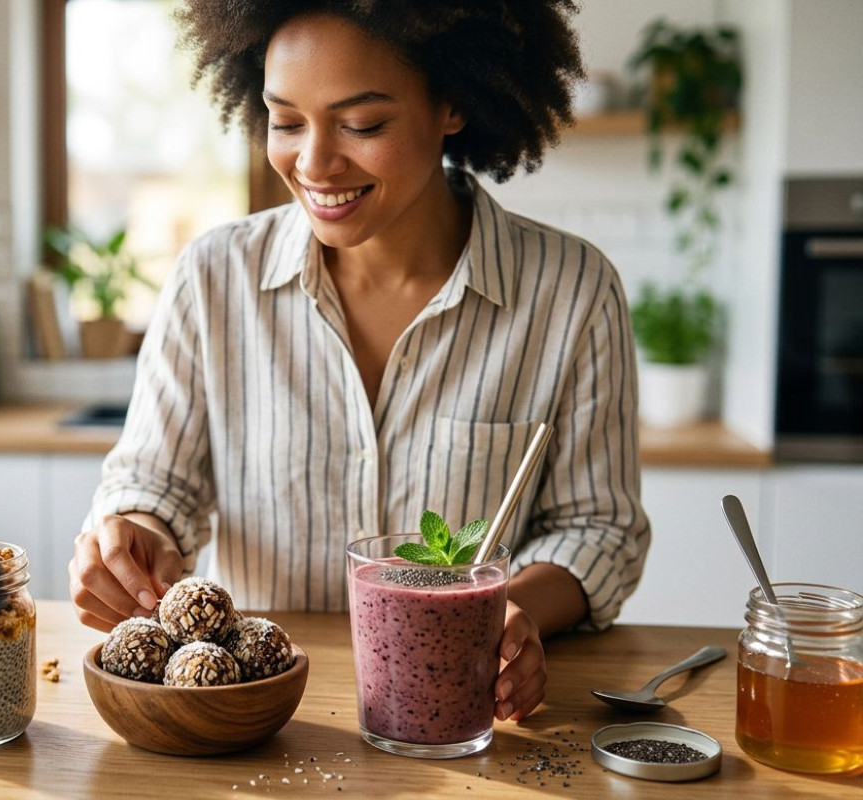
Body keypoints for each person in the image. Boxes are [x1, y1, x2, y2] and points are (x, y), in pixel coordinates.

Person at [69, 0, 650, 724]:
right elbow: (155, 485)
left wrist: (506, 609)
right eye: (286, 122)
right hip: (258, 722)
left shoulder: (571, 290)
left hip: (452, 715)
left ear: (453, 103)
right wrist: (134, 536)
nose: (313, 163)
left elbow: (599, 529)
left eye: (363, 125)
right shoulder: (213, 277)